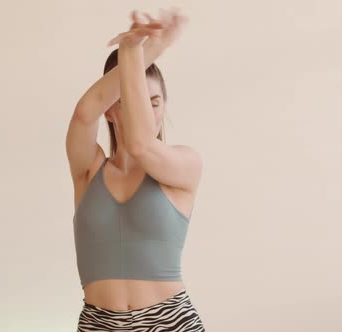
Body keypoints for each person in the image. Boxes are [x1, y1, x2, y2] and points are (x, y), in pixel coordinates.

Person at [65, 8, 206, 332]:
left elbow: (143, 145)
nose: (145, 110)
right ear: (110, 111)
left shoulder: (185, 164)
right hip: (99, 323)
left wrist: (135, 52)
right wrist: (141, 51)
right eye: (129, 100)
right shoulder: (89, 170)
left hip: (169, 322)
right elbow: (84, 114)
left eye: (153, 101)